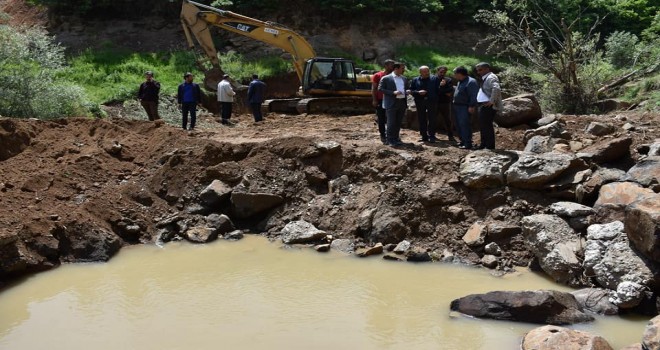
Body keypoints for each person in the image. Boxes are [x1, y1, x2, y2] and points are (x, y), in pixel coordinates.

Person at [378, 62, 409, 147]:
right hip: (391, 103)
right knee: (391, 122)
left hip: (402, 102)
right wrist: (393, 92)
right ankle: (390, 140)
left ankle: (396, 138)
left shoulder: (404, 78)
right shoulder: (386, 78)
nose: (404, 70)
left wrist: (407, 91)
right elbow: (380, 89)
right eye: (402, 68)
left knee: (398, 122)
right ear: (396, 69)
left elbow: (406, 88)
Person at [475, 62, 502, 150]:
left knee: (487, 126)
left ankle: (489, 146)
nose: (479, 72)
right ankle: (483, 144)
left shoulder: (491, 77)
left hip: (488, 106)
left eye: (480, 70)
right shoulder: (485, 78)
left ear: (487, 69)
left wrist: (492, 101)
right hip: (483, 105)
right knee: (483, 125)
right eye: (477, 70)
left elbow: (496, 88)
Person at [409, 65, 439, 143]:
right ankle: (424, 136)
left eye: (427, 71)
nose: (427, 73)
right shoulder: (415, 80)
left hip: (431, 101)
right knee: (421, 118)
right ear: (420, 72)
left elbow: (438, 90)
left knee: (432, 119)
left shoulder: (435, 79)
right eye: (424, 72)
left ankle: (432, 136)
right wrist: (418, 92)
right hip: (420, 101)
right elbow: (411, 90)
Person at [452, 66, 479, 149]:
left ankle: (467, 143)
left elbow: (474, 95)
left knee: (464, 125)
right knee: (458, 124)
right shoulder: (460, 81)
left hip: (465, 107)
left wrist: (471, 106)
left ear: (460, 74)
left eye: (455, 73)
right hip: (457, 106)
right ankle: (462, 141)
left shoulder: (471, 82)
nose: (454, 75)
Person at [371, 59, 395, 144]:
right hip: (381, 100)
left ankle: (391, 135)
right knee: (381, 118)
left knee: (391, 118)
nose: (393, 66)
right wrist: (374, 100)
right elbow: (374, 88)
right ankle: (383, 135)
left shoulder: (395, 76)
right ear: (386, 66)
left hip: (392, 100)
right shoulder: (378, 75)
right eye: (391, 65)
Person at [436, 66, 456, 143]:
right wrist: (441, 87)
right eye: (441, 72)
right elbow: (433, 90)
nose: (442, 73)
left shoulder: (448, 80)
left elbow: (449, 92)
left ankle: (450, 136)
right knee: (432, 119)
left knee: (447, 120)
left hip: (445, 103)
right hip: (435, 102)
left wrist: (441, 89)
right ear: (437, 71)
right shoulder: (433, 79)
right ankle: (431, 135)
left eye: (444, 72)